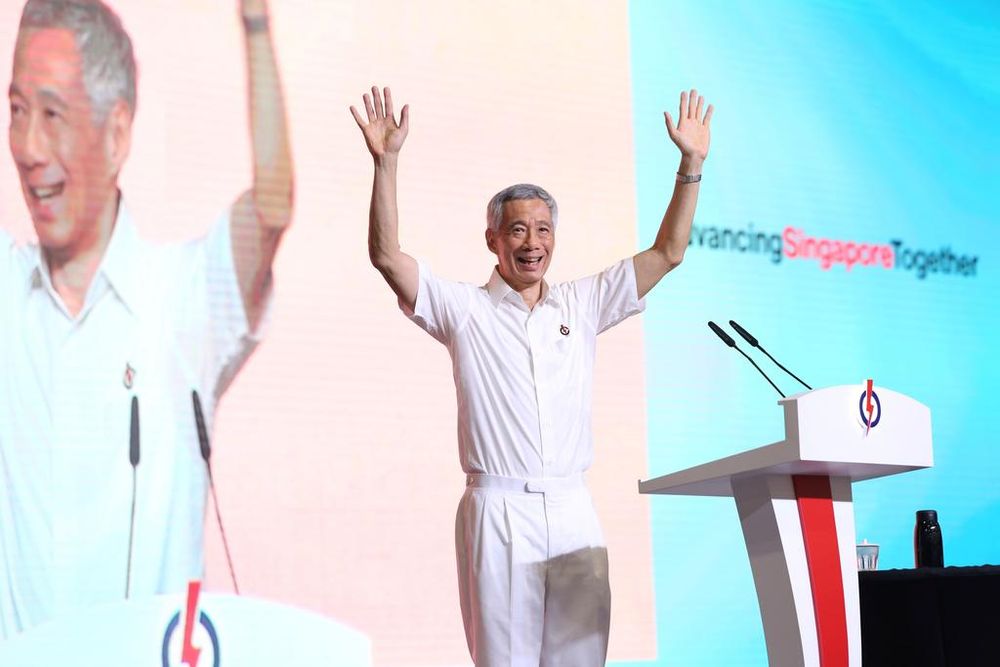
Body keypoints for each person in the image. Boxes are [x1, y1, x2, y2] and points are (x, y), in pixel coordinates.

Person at [351, 85, 712, 666]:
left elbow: (668, 252)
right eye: (517, 230)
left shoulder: (583, 303)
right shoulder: (463, 310)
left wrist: (690, 164)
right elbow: (387, 256)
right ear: (493, 240)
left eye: (543, 230)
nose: (532, 242)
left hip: (573, 511)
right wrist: (385, 163)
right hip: (498, 513)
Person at [0, 0, 292, 639]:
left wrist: (256, 25)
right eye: (16, 111)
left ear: (117, 132)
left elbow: (271, 209)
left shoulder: (183, 297)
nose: (26, 146)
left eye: (52, 114)